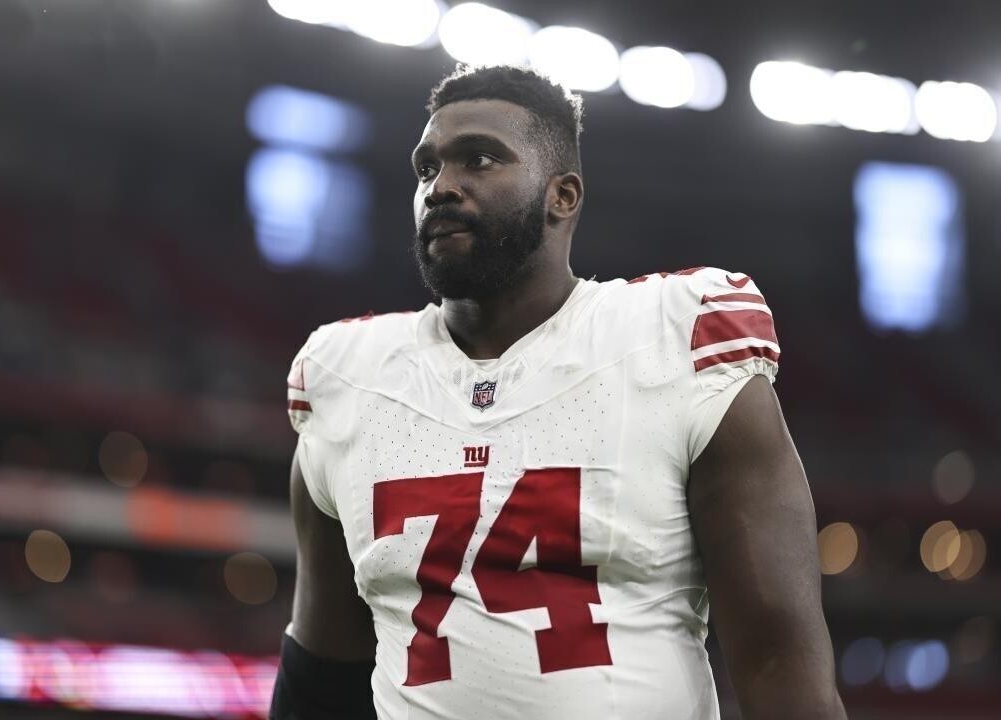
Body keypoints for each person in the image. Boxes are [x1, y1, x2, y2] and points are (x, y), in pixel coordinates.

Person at [270, 64, 846, 720]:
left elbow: (779, 660)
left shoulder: (676, 338)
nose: (441, 188)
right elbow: (324, 675)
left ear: (562, 196)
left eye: (479, 160)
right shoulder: (346, 376)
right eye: (427, 169)